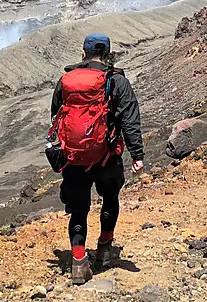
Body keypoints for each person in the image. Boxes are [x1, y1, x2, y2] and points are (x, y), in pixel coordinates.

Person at [50, 34, 144, 285]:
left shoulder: (66, 81)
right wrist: (137, 155)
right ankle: (104, 249)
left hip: (74, 158)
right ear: (108, 54)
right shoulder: (117, 81)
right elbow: (129, 120)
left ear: (83, 53)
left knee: (78, 211)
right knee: (110, 199)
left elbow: (56, 117)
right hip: (106, 157)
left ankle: (79, 262)